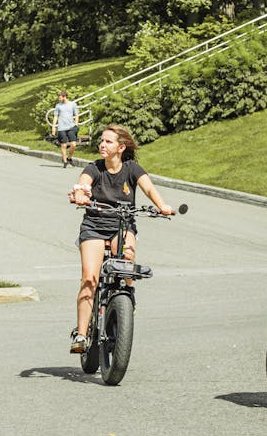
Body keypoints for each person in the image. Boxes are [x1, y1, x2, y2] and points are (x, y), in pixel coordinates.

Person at [67, 124, 175, 354]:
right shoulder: (94, 167)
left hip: (122, 226)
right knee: (89, 279)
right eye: (102, 141)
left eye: (108, 142)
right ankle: (82, 334)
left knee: (128, 258)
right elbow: (82, 184)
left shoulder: (132, 168)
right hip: (94, 226)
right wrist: (80, 195)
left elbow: (149, 189)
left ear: (121, 147)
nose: (102, 145)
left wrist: (162, 206)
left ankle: (127, 295)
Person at [51, 90, 79, 168]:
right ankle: (65, 161)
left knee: (73, 144)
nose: (58, 98)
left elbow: (76, 114)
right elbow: (56, 116)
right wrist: (53, 127)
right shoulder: (58, 106)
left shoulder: (72, 104)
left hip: (71, 127)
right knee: (63, 145)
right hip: (61, 128)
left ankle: (69, 158)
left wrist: (76, 124)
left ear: (64, 96)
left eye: (59, 97)